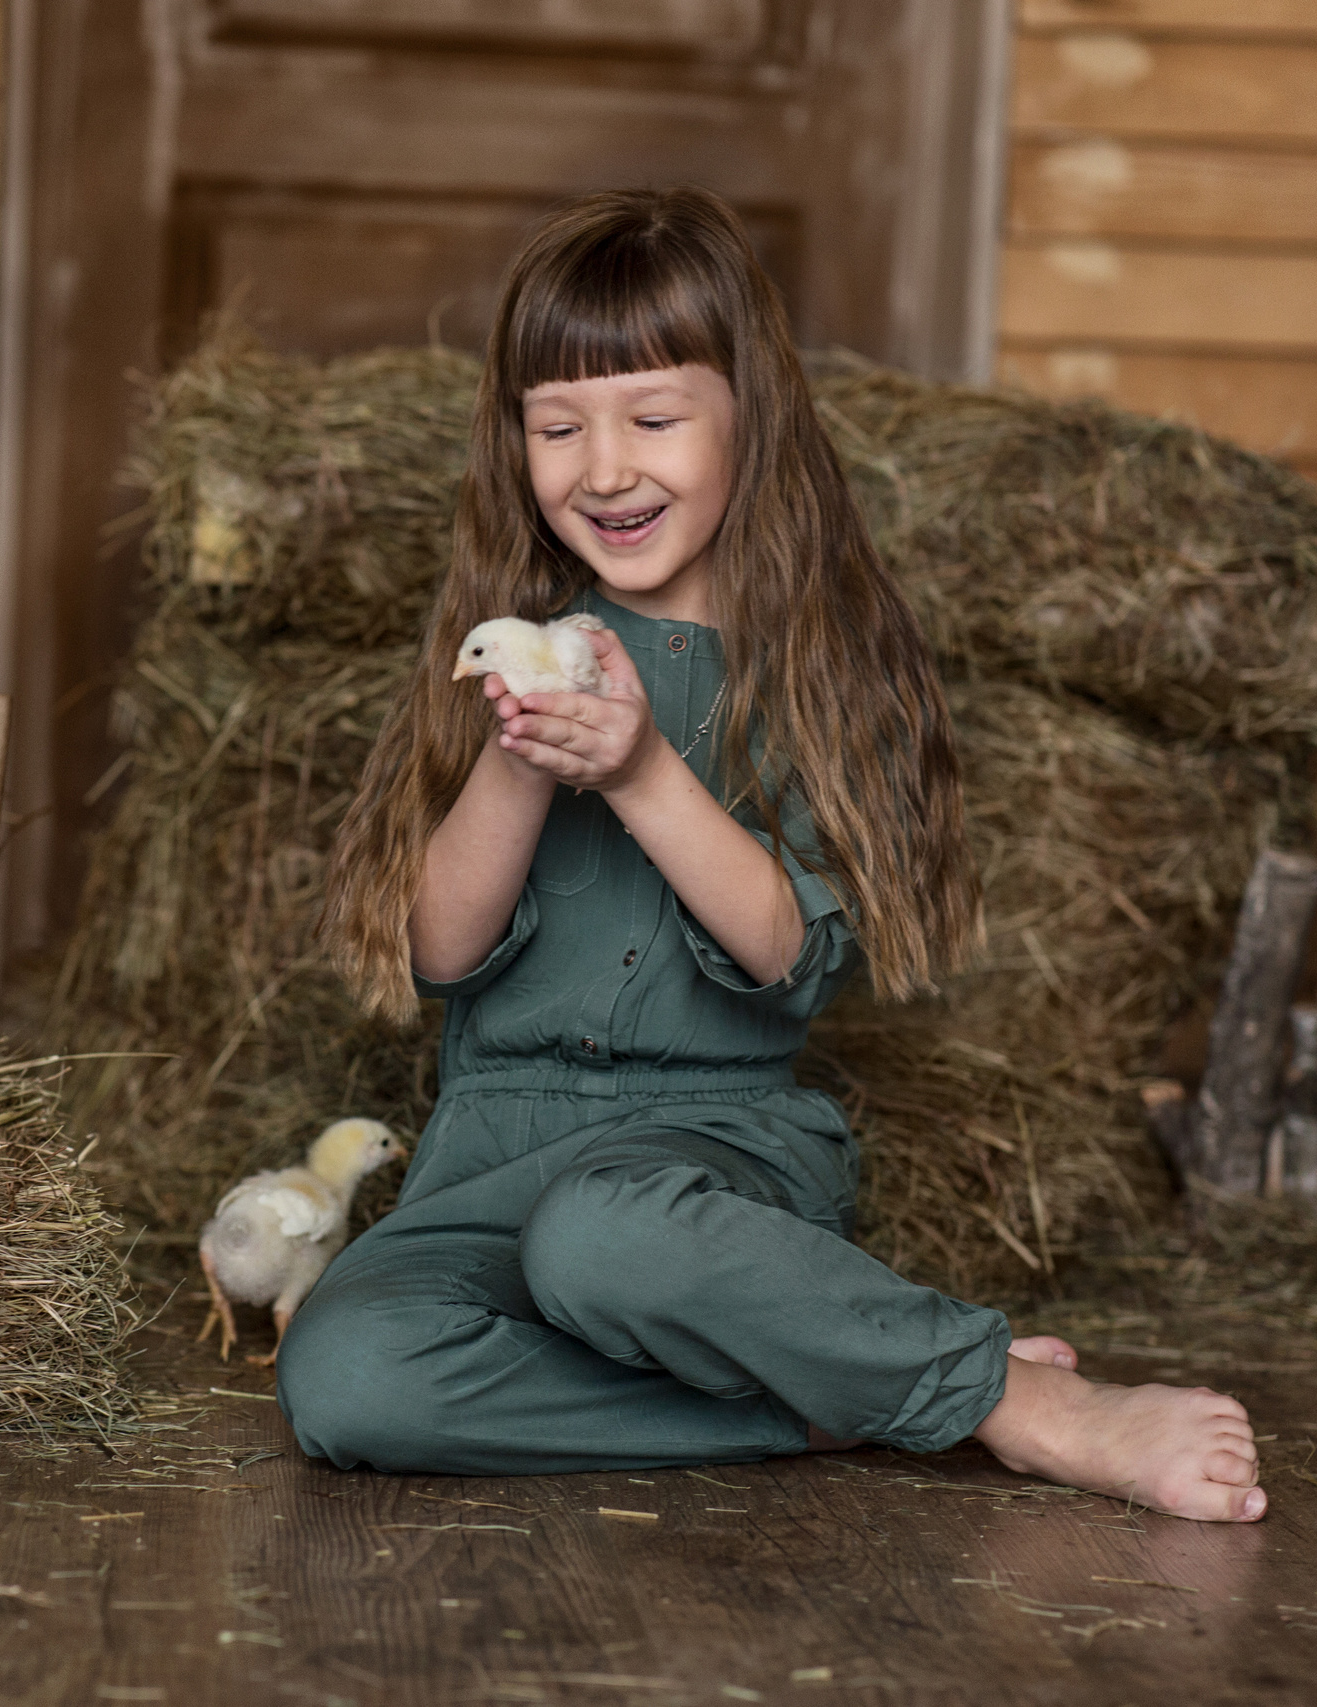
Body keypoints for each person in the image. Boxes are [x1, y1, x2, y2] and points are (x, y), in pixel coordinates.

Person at [277, 188, 1264, 1522]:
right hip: (488, 1155)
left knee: (606, 1233)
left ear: (753, 416)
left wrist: (635, 769)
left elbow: (786, 955)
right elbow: (442, 950)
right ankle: (830, 1393)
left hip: (711, 1157)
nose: (606, 466)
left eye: (655, 418)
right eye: (558, 427)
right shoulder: (507, 651)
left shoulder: (817, 667)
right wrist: (522, 753)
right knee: (347, 1377)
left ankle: (1021, 1401)